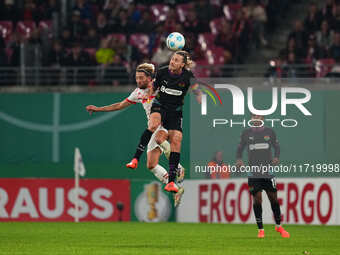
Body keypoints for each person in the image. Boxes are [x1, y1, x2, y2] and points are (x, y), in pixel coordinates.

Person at [86, 63, 185, 206]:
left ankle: (179, 168)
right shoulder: (138, 92)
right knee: (151, 165)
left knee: (159, 138)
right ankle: (176, 188)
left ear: (150, 78)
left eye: (141, 78)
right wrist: (98, 109)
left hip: (166, 122)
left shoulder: (160, 87)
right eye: (136, 78)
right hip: (152, 127)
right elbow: (119, 105)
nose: (138, 81)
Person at [126, 51, 202, 194]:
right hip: (159, 106)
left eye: (176, 60)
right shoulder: (162, 72)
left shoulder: (188, 76)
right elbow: (153, 87)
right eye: (172, 59)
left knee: (176, 140)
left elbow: (196, 89)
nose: (172, 62)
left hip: (175, 112)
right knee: (153, 127)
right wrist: (150, 93)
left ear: (183, 64)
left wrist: (199, 97)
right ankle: (135, 159)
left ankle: (172, 181)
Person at [236, 114, 290, 239]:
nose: (255, 119)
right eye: (253, 117)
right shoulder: (246, 133)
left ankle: (278, 226)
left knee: (273, 199)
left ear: (263, 119)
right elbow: (239, 149)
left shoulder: (270, 132)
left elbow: (277, 147)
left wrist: (276, 157)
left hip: (268, 171)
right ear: (251, 119)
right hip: (253, 171)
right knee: (257, 199)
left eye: (258, 117)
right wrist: (239, 159)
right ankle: (261, 229)